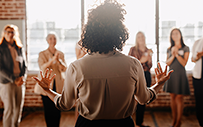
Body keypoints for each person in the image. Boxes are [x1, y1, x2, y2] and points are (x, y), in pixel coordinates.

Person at [33, 1, 173, 127]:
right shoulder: (133, 64)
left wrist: (47, 89)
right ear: (120, 33)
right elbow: (144, 99)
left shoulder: (77, 67)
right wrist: (159, 83)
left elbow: (64, 104)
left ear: (88, 33)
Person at [34, 32, 67, 127]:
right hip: (46, 85)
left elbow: (64, 69)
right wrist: (52, 60)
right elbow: (42, 67)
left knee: (57, 108)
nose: (53, 40)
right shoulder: (42, 54)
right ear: (47, 40)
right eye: (50, 38)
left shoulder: (60, 54)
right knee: (48, 110)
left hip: (58, 85)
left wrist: (59, 61)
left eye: (54, 38)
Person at [0, 24, 27, 127]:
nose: (10, 34)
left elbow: (24, 65)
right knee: (9, 109)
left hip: (19, 82)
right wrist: (13, 79)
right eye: (8, 32)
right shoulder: (1, 48)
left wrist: (22, 77)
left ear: (15, 34)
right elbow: (0, 68)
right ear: (4, 34)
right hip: (7, 82)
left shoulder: (19, 47)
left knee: (18, 109)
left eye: (12, 32)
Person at [163, 28, 190, 127]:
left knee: (179, 97)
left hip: (181, 74)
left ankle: (179, 122)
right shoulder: (169, 49)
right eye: (172, 34)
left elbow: (184, 63)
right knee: (172, 97)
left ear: (180, 35)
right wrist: (173, 55)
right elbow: (167, 63)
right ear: (171, 36)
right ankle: (174, 121)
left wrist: (177, 53)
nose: (174, 35)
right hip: (172, 74)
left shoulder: (185, 48)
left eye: (176, 33)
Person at [128, 31, 153, 127]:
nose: (141, 38)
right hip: (135, 75)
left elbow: (150, 65)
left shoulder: (148, 50)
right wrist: (142, 60)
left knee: (143, 99)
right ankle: (129, 122)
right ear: (136, 39)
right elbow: (131, 64)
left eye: (142, 36)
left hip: (146, 75)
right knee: (131, 99)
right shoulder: (132, 50)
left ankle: (139, 122)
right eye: (139, 37)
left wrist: (148, 59)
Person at [191, 38, 203, 127]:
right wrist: (198, 56)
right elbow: (193, 59)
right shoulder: (198, 42)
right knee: (199, 101)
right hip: (198, 77)